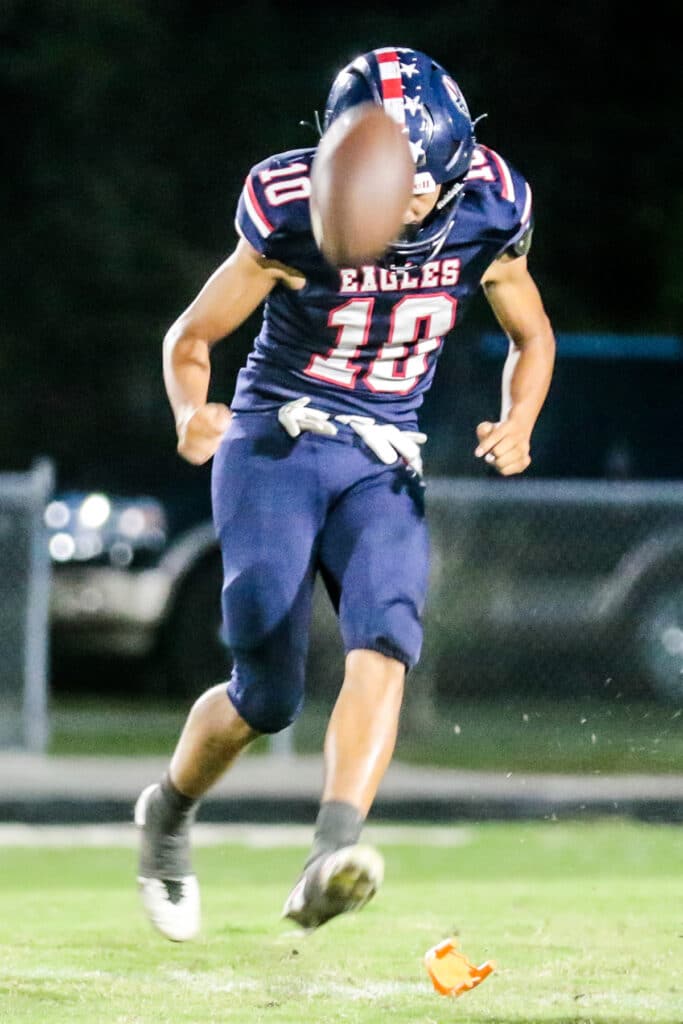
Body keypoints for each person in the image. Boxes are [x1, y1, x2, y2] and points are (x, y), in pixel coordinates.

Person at [135, 45, 556, 942]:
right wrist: (189, 411)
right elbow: (191, 334)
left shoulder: (486, 201)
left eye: (422, 187)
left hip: (383, 456)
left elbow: (530, 330)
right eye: (394, 184)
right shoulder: (288, 213)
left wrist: (518, 414)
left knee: (387, 635)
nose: (408, 206)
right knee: (267, 692)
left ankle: (330, 853)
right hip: (277, 441)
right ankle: (167, 814)